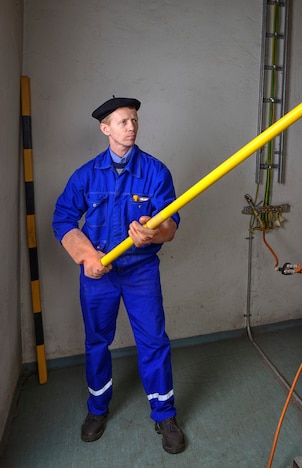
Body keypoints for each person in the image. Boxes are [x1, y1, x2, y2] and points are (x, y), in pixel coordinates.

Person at [52, 96, 185, 454]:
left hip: (141, 271)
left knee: (154, 340)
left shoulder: (156, 172)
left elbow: (171, 224)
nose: (131, 127)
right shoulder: (85, 175)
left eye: (135, 120)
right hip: (99, 275)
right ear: (105, 128)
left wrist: (153, 233)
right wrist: (86, 256)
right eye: (123, 121)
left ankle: (165, 413)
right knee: (97, 341)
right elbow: (63, 220)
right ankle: (97, 409)